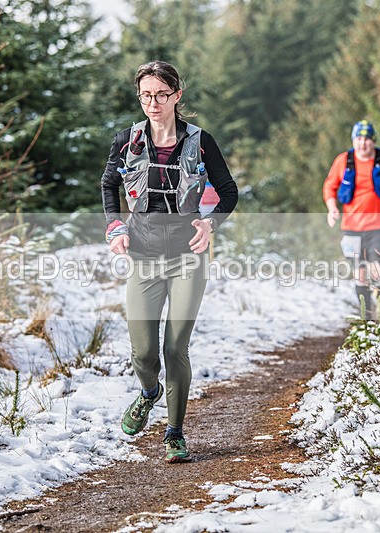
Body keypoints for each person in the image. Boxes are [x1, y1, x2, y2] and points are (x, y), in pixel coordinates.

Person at [100, 60, 238, 463]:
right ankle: (148, 393)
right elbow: (109, 184)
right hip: (142, 255)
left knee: (175, 347)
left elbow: (228, 192)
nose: (153, 103)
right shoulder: (127, 140)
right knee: (143, 352)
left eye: (161, 94)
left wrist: (210, 224)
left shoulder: (201, 140)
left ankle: (174, 433)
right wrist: (114, 227)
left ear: (177, 96)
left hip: (187, 257)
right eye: (146, 95)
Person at [323, 120, 380, 318]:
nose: (363, 144)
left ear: (373, 141)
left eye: (367, 139)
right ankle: (367, 316)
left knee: (378, 270)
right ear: (354, 141)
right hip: (352, 227)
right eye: (359, 139)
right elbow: (329, 186)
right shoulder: (344, 161)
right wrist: (331, 208)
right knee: (360, 273)